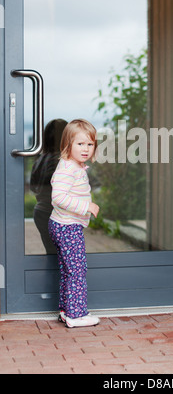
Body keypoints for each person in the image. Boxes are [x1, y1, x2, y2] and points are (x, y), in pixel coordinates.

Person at [48, 119, 100, 328]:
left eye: (90, 144)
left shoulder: (74, 166)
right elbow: (58, 198)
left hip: (64, 225)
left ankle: (66, 310)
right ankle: (76, 314)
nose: (86, 149)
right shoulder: (68, 168)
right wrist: (85, 206)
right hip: (67, 227)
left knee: (68, 269)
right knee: (77, 270)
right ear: (68, 145)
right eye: (80, 144)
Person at [30, 119, 67, 254]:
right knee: (64, 256)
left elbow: (34, 187)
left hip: (40, 211)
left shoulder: (40, 159)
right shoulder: (61, 160)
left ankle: (53, 274)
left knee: (52, 253)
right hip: (56, 214)